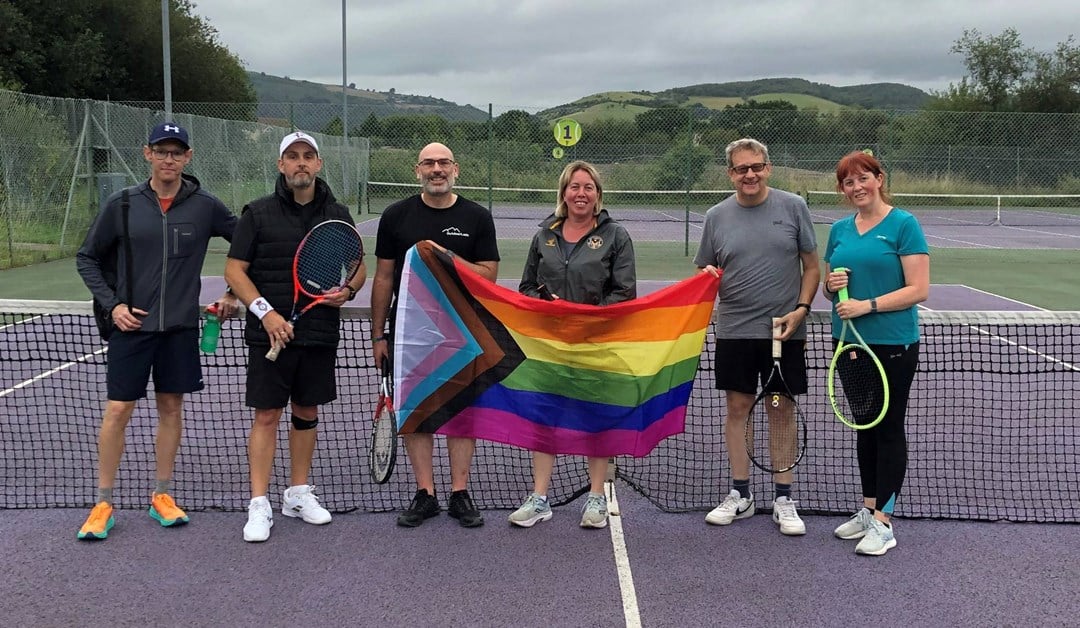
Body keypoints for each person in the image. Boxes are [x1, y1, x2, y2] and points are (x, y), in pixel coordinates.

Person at [75, 122, 237, 540]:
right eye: (161, 151)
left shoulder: (205, 206)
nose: (169, 159)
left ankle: (161, 495)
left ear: (188, 157)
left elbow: (246, 245)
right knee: (118, 411)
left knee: (171, 409)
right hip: (132, 328)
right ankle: (103, 503)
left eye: (176, 152)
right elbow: (87, 258)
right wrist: (114, 306)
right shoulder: (123, 205)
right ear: (147, 154)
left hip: (180, 329)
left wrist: (235, 292)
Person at [224, 131, 367, 542]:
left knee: (307, 412)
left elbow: (356, 266)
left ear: (318, 165)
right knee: (267, 414)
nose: (301, 163)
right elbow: (236, 270)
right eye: (292, 156)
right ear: (281, 165)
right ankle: (259, 503)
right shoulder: (258, 212)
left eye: (308, 156)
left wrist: (350, 289)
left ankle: (298, 492)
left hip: (318, 330)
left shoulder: (337, 214)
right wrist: (266, 314)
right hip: (268, 333)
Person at [693, 138, 819, 536]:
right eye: (741, 168)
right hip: (734, 332)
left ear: (768, 167)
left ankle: (784, 497)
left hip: (784, 334)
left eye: (756, 167)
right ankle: (741, 494)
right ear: (730, 173)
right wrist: (706, 279)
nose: (750, 174)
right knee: (737, 408)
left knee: (780, 408)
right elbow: (705, 272)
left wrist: (800, 310)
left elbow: (812, 267)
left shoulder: (794, 208)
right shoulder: (716, 216)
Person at [371, 142, 500, 528]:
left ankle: (459, 492)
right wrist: (379, 335)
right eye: (429, 163)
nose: (437, 169)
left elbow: (488, 274)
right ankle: (425, 493)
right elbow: (383, 277)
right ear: (418, 171)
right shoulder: (395, 216)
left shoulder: (477, 217)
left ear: (455, 169)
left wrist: (444, 256)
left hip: (463, 332)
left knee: (460, 411)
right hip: (409, 334)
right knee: (417, 411)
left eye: (443, 162)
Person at [512, 161, 636, 529]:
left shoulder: (616, 236)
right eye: (574, 186)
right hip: (550, 346)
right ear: (563, 192)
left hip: (597, 343)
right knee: (544, 419)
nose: (581, 194)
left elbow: (624, 292)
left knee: (595, 419)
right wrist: (549, 308)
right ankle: (539, 498)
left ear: (598, 194)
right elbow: (526, 287)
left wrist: (587, 317)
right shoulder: (543, 236)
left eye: (588, 187)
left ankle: (596, 497)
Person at [824, 151, 928, 556]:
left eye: (863, 178)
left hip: (892, 343)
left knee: (888, 427)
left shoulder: (904, 224)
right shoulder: (839, 230)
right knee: (865, 426)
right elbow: (828, 287)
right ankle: (868, 509)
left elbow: (918, 289)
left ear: (879, 179)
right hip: (848, 344)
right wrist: (832, 286)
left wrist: (867, 306)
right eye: (848, 182)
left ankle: (885, 521)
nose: (857, 187)